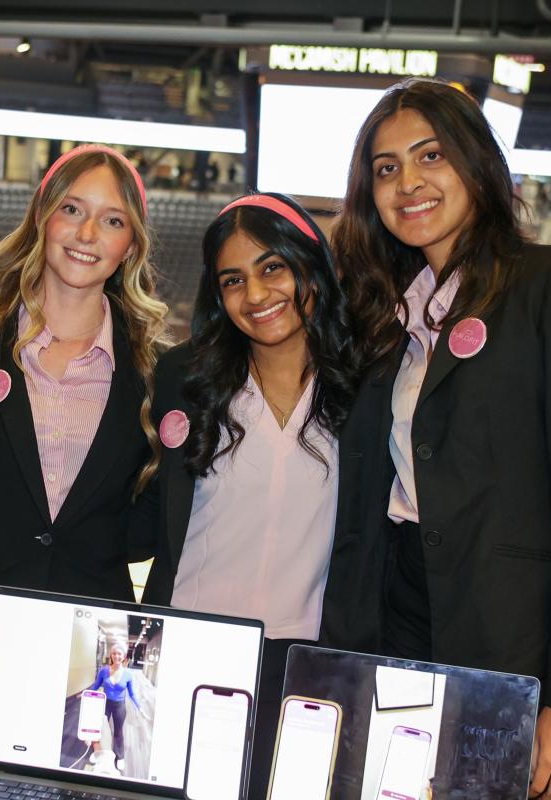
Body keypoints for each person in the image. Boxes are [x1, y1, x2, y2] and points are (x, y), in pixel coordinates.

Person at [324, 78, 551, 800]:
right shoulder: (387, 315)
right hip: (398, 612)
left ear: (476, 163)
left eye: (429, 155)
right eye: (385, 168)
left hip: (512, 636)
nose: (408, 182)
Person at [0, 143, 171, 764]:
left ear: (130, 246)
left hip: (89, 660)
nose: (88, 234)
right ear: (43, 220)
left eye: (113, 220)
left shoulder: (156, 373)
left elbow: (148, 518)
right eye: (72, 210)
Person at [134, 192, 356, 799]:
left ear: (309, 266)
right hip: (187, 646)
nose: (256, 295)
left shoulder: (363, 382)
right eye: (234, 279)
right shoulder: (185, 375)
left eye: (272, 268)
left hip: (312, 662)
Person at [88, 640, 142, 771]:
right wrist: (85, 695)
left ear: (123, 656)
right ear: (111, 655)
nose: (116, 656)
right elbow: (95, 686)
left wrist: (139, 706)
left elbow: (132, 693)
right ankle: (97, 752)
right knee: (98, 729)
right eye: (114, 653)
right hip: (105, 703)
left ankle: (120, 756)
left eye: (119, 654)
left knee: (118, 732)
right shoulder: (103, 671)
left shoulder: (128, 674)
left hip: (119, 706)